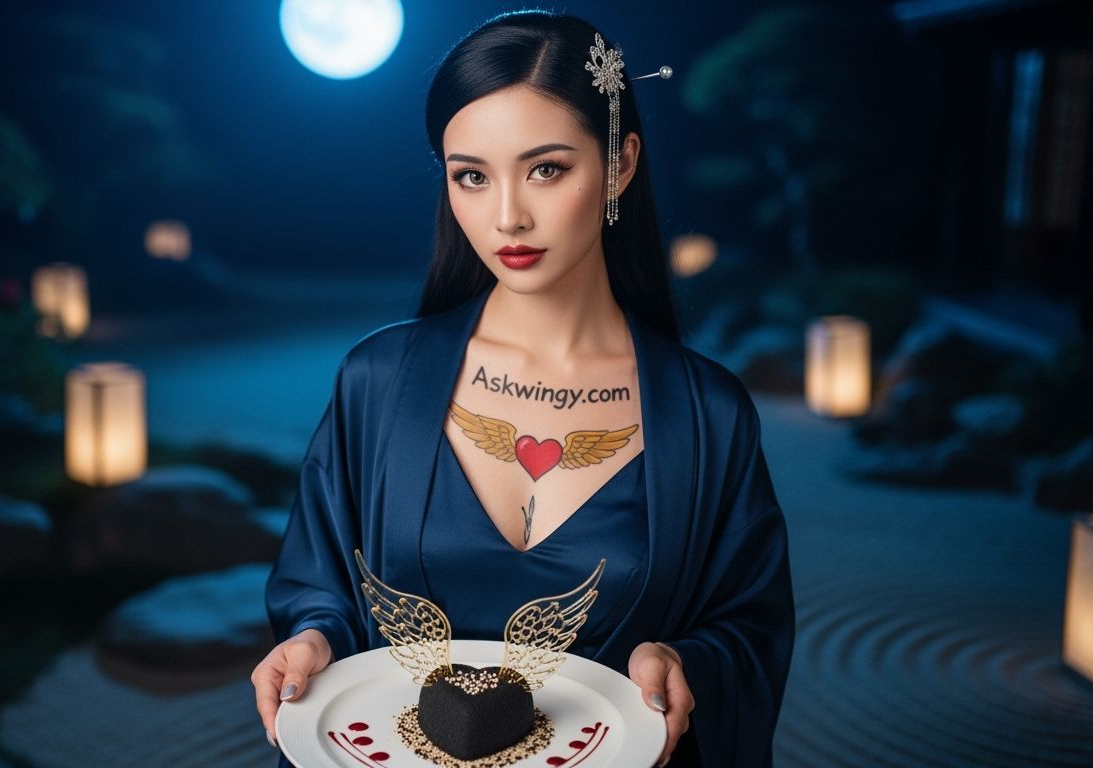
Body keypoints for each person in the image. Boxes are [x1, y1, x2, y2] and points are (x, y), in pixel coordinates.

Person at [253, 11, 794, 768]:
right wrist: (312, 638)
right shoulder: (378, 382)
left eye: (546, 168)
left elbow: (750, 627)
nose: (507, 214)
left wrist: (686, 665)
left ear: (619, 163)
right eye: (471, 175)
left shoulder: (708, 415)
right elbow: (323, 585)